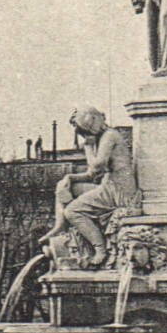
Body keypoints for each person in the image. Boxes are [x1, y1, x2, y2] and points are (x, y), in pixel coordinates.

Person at [39, 107, 139, 267]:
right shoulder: (103, 137)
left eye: (83, 131)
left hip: (119, 190)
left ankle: (100, 248)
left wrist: (88, 147)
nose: (83, 136)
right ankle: (59, 226)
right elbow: (92, 174)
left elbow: (97, 165)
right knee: (64, 186)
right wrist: (69, 178)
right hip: (109, 184)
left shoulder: (109, 136)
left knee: (73, 210)